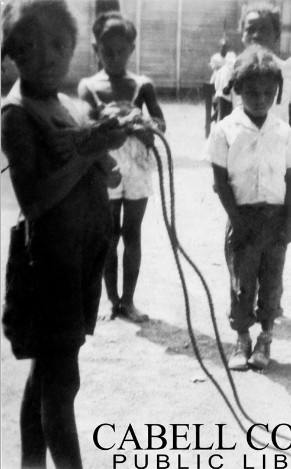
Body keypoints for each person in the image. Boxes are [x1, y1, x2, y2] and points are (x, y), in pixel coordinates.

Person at [1, 1, 128, 467]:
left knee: (45, 376)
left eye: (59, 45)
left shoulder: (68, 103)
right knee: (61, 383)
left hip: (78, 258)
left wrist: (104, 155)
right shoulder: (16, 114)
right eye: (33, 47)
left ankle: (30, 465)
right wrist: (87, 152)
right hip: (49, 264)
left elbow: (100, 168)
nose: (50, 56)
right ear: (14, 54)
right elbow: (34, 199)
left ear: (74, 48)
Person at [204, 45, 291, 370]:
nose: (260, 98)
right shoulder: (225, 130)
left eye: (267, 92)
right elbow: (220, 181)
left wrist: (289, 224)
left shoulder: (283, 132)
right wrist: (236, 219)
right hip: (242, 219)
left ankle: (266, 338)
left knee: (271, 283)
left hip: (274, 222)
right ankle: (242, 339)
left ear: (277, 93)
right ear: (237, 91)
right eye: (251, 91)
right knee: (242, 283)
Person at [78, 11, 167, 323]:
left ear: (132, 49)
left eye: (121, 51)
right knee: (107, 234)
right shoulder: (88, 86)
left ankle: (129, 300)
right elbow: (85, 129)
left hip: (139, 164)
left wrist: (141, 123)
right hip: (105, 162)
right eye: (107, 51)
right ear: (96, 50)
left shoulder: (142, 85)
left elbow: (159, 124)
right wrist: (111, 123)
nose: (114, 58)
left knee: (132, 232)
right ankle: (111, 300)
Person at [214, 1, 291, 141]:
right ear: (242, 34)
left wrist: (290, 161)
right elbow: (222, 124)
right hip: (239, 153)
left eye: (264, 29)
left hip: (275, 154)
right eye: (250, 29)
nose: (257, 35)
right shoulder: (229, 72)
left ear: (276, 35)